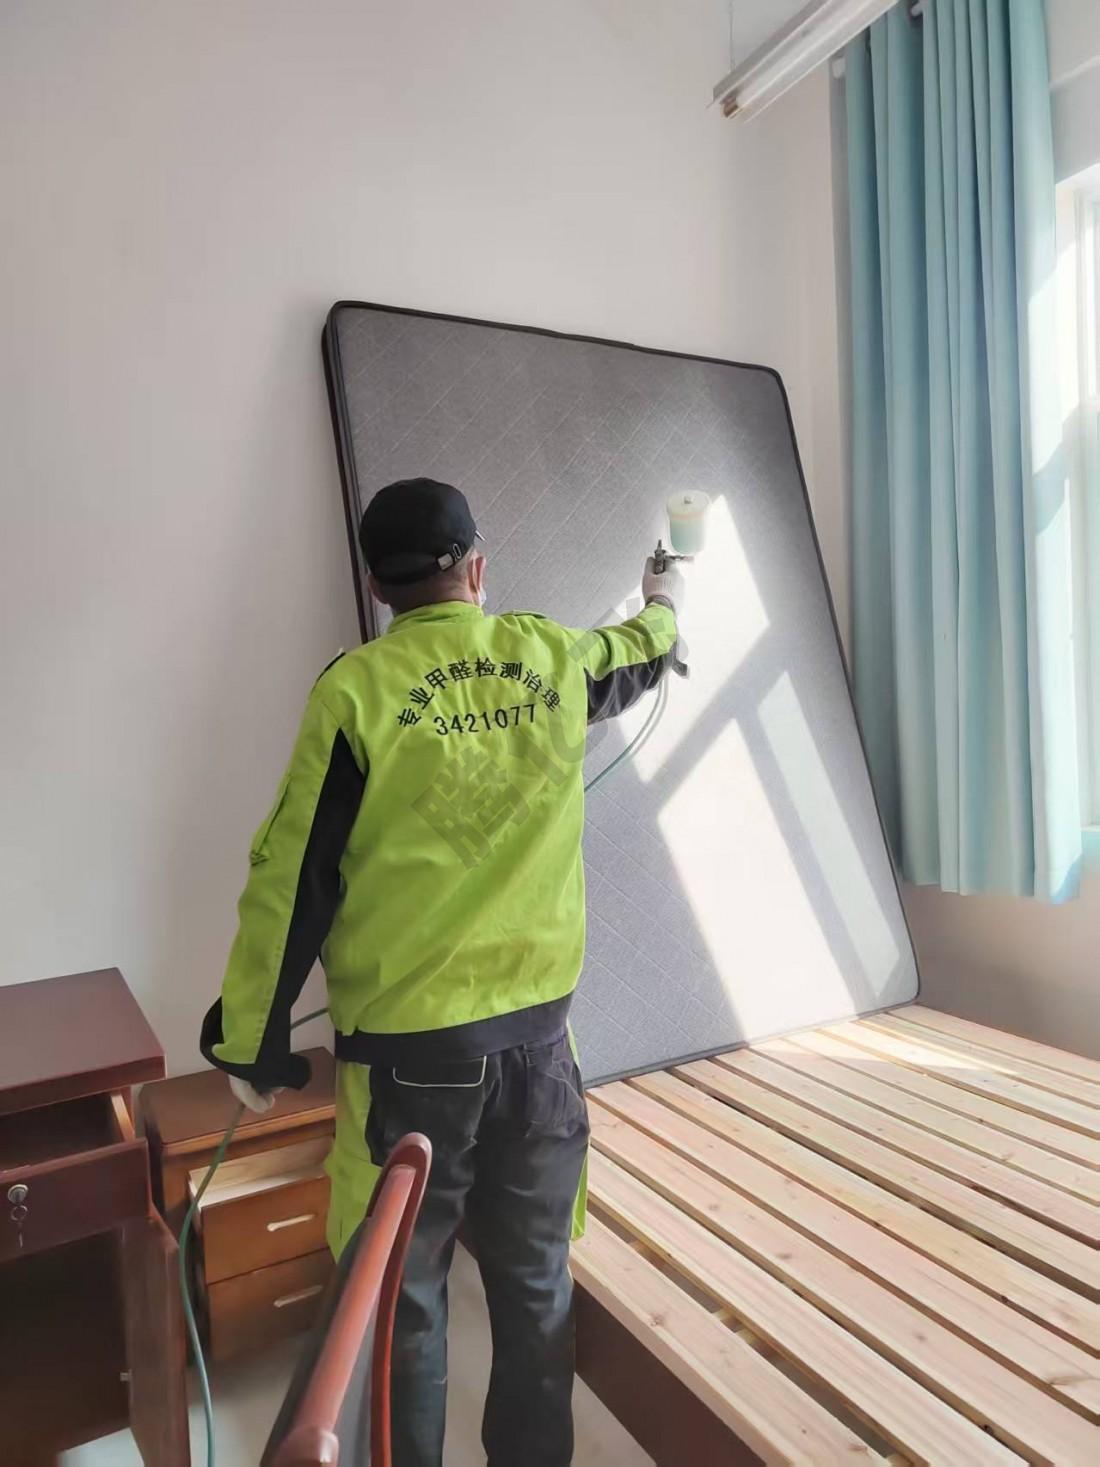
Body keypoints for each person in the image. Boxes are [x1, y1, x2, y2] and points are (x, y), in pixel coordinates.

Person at [200, 477, 683, 1467]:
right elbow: (637, 653)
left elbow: (291, 879)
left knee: (404, 1301)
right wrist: (665, 599)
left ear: (378, 588)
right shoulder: (549, 656)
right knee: (536, 1287)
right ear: (478, 569)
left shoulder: (355, 693)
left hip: (407, 1075)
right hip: (539, 1058)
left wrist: (252, 1041)